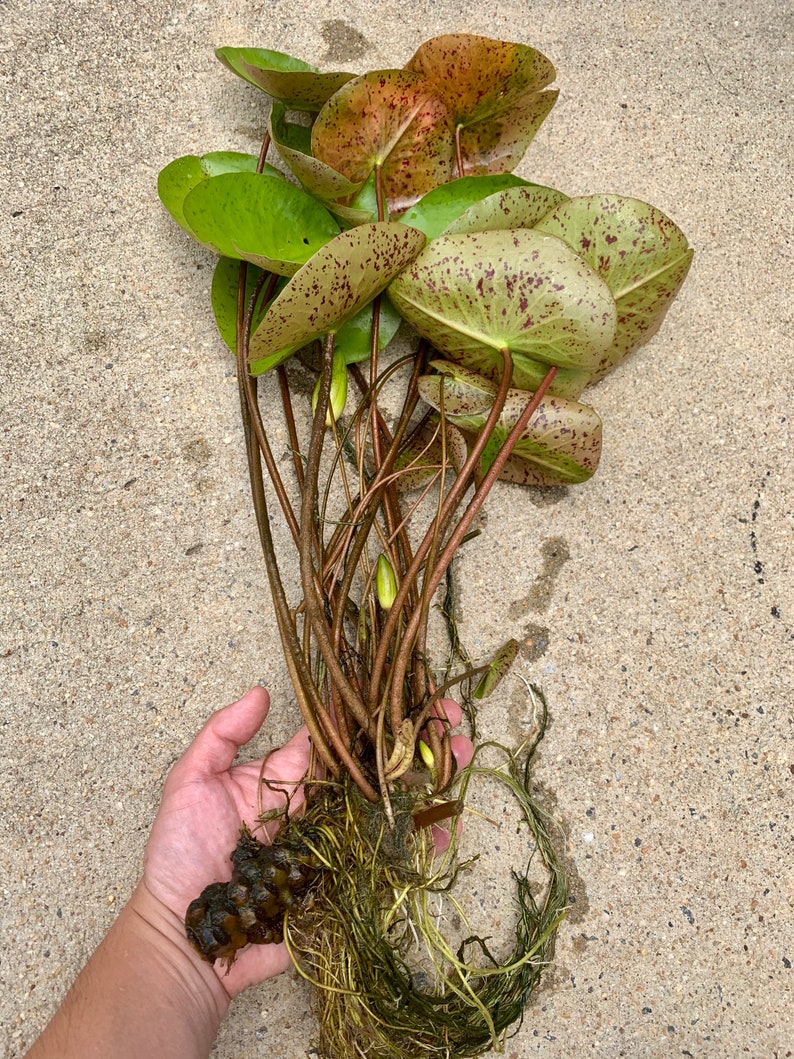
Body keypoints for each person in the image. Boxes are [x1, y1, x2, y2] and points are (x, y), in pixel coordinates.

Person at [25, 686, 472, 1058]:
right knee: (412, 821)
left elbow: (255, 882)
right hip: (302, 869)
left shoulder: (247, 900)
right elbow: (256, 890)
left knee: (407, 823)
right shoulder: (245, 907)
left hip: (298, 866)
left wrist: (165, 938)